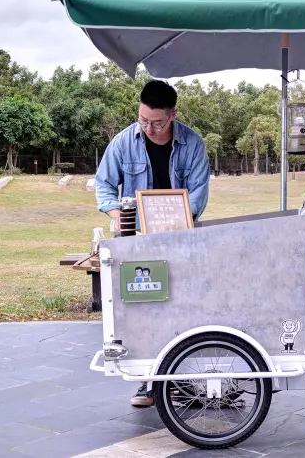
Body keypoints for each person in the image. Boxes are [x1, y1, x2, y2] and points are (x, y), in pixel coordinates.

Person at [95, 79, 210, 407]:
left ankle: (181, 378)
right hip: (137, 243)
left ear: (173, 114)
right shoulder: (122, 142)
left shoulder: (193, 144)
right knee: (142, 307)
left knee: (184, 307)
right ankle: (147, 382)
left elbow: (198, 197)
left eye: (157, 122)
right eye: (143, 120)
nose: (148, 127)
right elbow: (104, 186)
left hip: (181, 238)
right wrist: (117, 214)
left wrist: (169, 221)